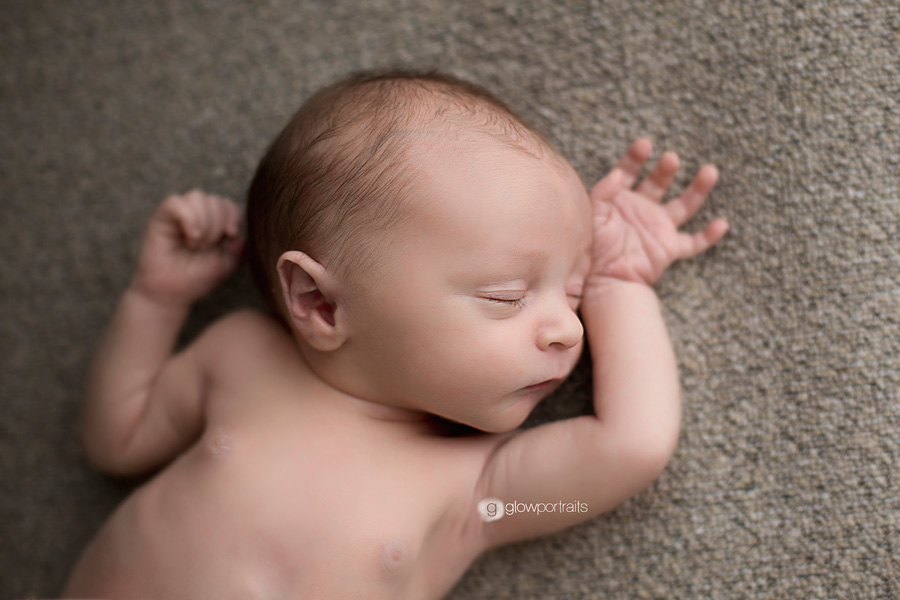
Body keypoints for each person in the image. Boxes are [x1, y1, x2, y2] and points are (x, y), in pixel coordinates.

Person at [64, 71, 728, 598]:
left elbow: (632, 445)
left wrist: (620, 287)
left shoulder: (477, 493)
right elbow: (116, 438)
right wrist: (156, 299)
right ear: (321, 304)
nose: (565, 328)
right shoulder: (242, 357)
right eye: (507, 296)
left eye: (575, 292)